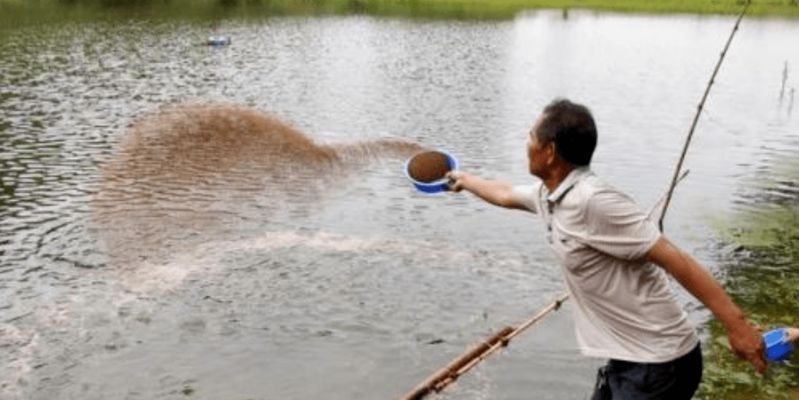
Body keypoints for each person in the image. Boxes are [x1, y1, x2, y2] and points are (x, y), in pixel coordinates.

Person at [446, 99, 766, 399]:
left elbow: (675, 259)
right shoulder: (552, 196)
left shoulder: (594, 201)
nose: (526, 142)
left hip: (660, 364)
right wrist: (465, 180)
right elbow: (505, 194)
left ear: (549, 152)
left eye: (530, 135)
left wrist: (737, 326)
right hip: (630, 361)